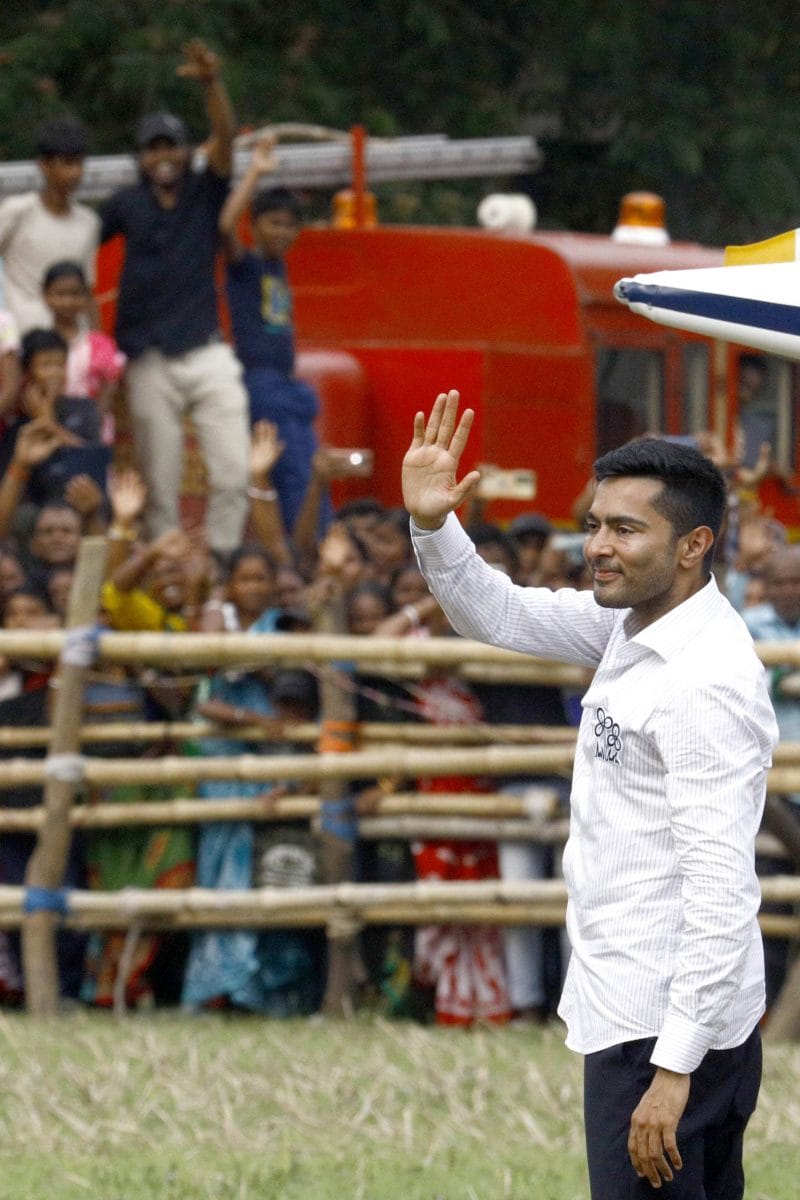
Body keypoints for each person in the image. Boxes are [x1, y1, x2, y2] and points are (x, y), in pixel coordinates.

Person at [402, 389, 777, 1198]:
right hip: (651, 1012)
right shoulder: (633, 623)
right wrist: (434, 523)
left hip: (666, 1028)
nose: (597, 546)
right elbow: (495, 613)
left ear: (693, 545)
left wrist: (673, 1070)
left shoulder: (702, 680)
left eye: (625, 529)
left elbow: (721, 888)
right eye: (596, 524)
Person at [99, 39, 250, 555]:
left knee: (234, 471)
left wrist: (212, 83)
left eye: (171, 145)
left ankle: (225, 565)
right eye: (153, 147)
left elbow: (227, 137)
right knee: (160, 485)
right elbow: (77, 248)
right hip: (148, 358)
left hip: (206, 350)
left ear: (186, 151)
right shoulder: (125, 204)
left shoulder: (206, 192)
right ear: (141, 158)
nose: (163, 155)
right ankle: (166, 576)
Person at [218, 135, 324, 532]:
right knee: (292, 474)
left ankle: (315, 542)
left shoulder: (278, 267)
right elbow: (225, 225)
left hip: (287, 385)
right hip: (261, 383)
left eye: (290, 225)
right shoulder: (246, 265)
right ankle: (302, 549)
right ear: (255, 225)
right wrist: (255, 173)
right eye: (273, 222)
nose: (282, 232)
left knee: (310, 471)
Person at [0, 116, 99, 335]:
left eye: (80, 163)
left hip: (72, 345)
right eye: (67, 163)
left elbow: (88, 291)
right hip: (23, 342)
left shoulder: (89, 222)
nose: (76, 173)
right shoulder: (17, 212)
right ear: (44, 165)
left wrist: (98, 345)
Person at [41, 260, 126, 444]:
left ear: (87, 297)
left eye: (75, 294)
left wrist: (93, 421)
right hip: (49, 428)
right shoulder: (39, 343)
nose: (67, 302)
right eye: (60, 294)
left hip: (91, 430)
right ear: (45, 295)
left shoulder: (99, 344)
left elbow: (109, 385)